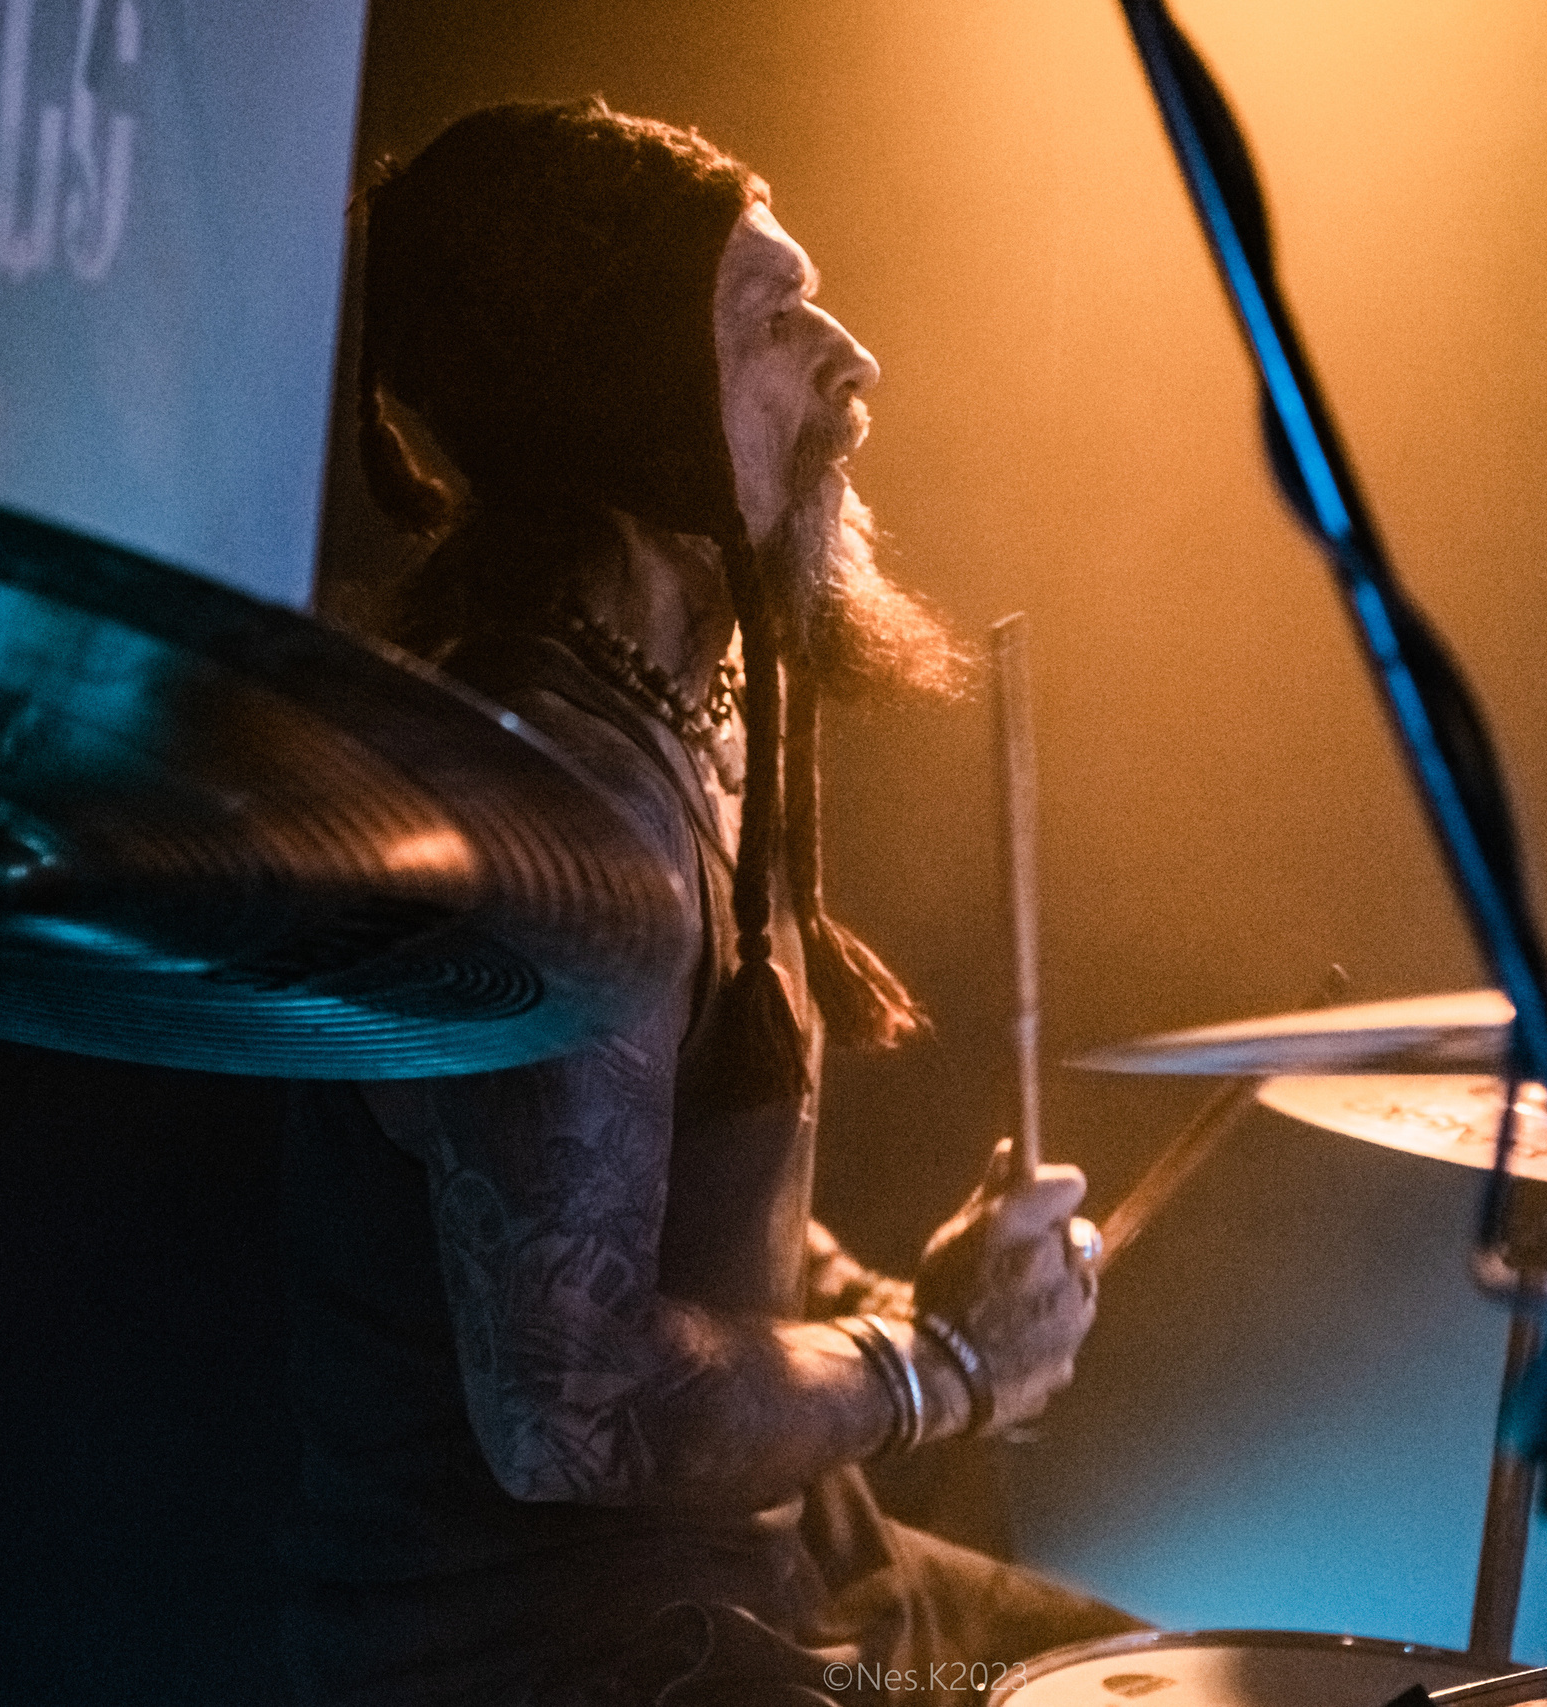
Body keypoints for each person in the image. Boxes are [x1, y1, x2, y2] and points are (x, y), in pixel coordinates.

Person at [281, 98, 1140, 1707]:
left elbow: (661, 1177)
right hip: (554, 1659)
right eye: (773, 318)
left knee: (1175, 1676)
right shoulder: (550, 813)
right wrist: (935, 1366)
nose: (851, 359)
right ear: (627, 399)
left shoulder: (695, 719)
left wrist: (860, 1297)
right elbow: (573, 1407)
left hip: (752, 1577)